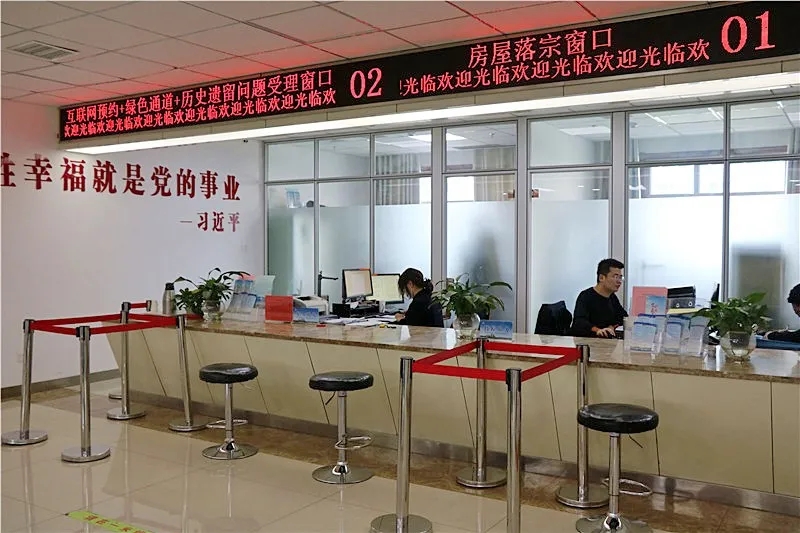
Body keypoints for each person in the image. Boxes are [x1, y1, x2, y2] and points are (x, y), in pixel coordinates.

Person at [571, 258, 628, 338]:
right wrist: (598, 330)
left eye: (620, 277)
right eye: (615, 277)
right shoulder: (586, 296)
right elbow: (579, 323)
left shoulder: (612, 297)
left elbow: (623, 317)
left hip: (606, 341)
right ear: (601, 278)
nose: (619, 281)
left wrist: (612, 326)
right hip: (588, 341)